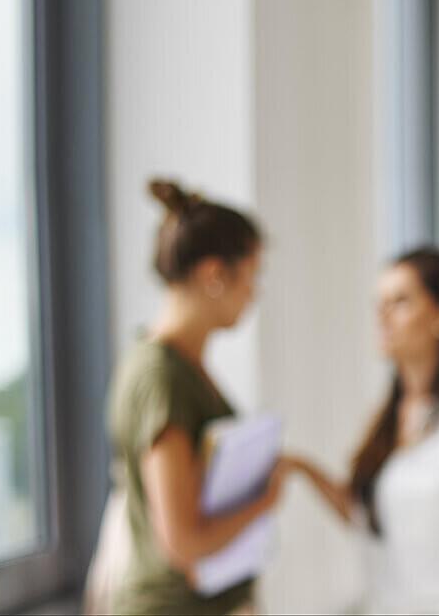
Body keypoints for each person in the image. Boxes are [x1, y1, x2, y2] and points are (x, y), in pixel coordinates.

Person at [100, 178, 299, 615]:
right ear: (213, 275)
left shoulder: (181, 369)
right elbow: (183, 542)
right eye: (252, 275)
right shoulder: (161, 376)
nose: (254, 293)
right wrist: (265, 500)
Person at [297, 247, 439, 613]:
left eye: (400, 301)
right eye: (379, 303)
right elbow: (370, 517)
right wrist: (300, 468)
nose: (383, 315)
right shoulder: (388, 421)